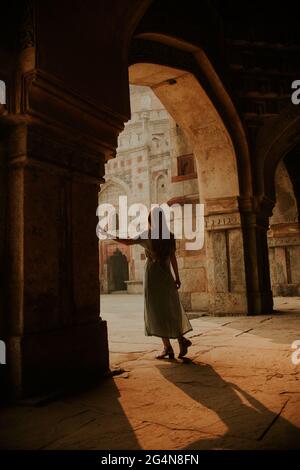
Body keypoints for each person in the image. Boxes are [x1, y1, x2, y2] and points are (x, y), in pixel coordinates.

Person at [99, 207, 193, 359]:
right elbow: (173, 258)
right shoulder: (169, 236)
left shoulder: (148, 234)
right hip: (166, 275)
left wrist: (109, 234)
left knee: (156, 310)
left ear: (150, 220)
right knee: (170, 309)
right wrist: (177, 277)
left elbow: (127, 242)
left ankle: (168, 347)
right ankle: (181, 340)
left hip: (153, 276)